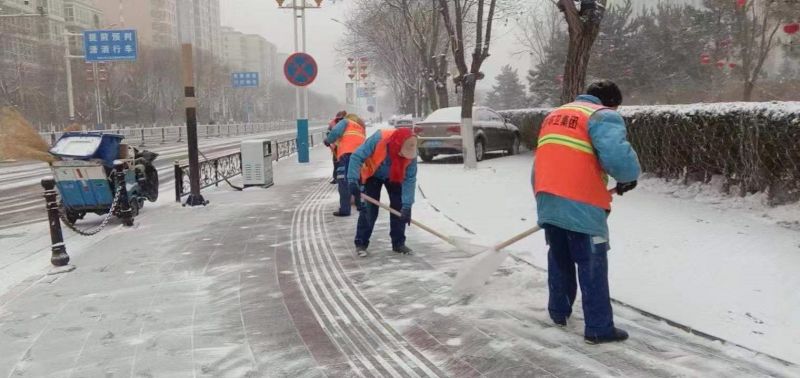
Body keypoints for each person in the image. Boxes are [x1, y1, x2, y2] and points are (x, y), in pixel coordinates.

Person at [532, 80, 640, 345]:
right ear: (611, 103)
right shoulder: (602, 116)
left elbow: (545, 159)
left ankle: (558, 312)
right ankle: (598, 328)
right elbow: (618, 158)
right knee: (591, 265)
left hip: (547, 198)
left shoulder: (555, 116)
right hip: (582, 203)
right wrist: (628, 177)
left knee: (560, 259)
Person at [347, 128, 418, 258]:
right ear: (397, 145)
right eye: (402, 154)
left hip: (396, 176)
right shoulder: (379, 138)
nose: (403, 157)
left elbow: (410, 180)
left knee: (399, 206)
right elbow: (356, 156)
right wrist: (352, 180)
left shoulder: (411, 153)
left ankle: (398, 243)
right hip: (373, 174)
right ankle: (361, 243)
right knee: (369, 209)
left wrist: (407, 206)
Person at [325, 113, 367, 217]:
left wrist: (327, 140)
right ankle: (360, 205)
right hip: (360, 155)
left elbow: (335, 132)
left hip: (347, 155)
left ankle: (345, 209)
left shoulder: (346, 122)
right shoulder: (360, 128)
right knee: (356, 179)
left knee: (343, 181)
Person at [325, 111, 347, 184]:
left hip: (345, 146)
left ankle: (343, 178)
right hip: (336, 146)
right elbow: (328, 132)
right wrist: (328, 140)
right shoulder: (333, 123)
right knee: (336, 162)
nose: (339, 120)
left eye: (341, 118)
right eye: (338, 118)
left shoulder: (347, 123)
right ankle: (336, 178)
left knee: (343, 162)